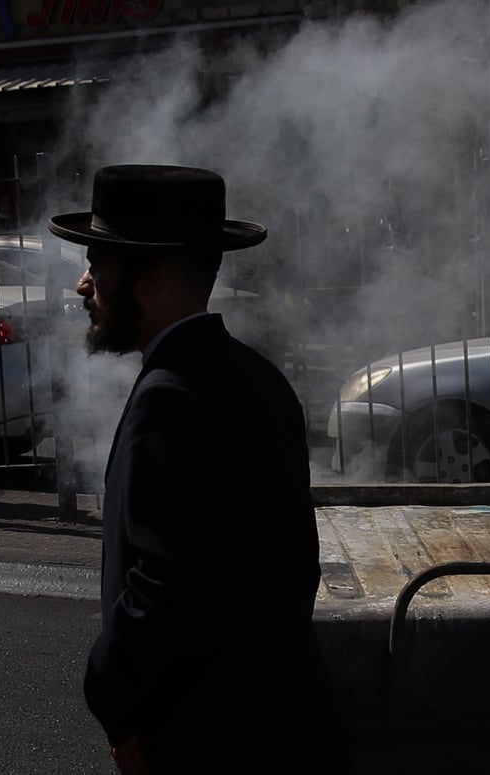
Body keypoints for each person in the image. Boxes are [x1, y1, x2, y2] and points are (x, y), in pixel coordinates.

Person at [50, 165, 344, 775]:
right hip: (275, 722)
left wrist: (115, 699)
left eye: (98, 266)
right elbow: (294, 566)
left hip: (202, 736)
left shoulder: (169, 396)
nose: (83, 285)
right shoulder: (258, 377)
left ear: (151, 276)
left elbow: (161, 590)